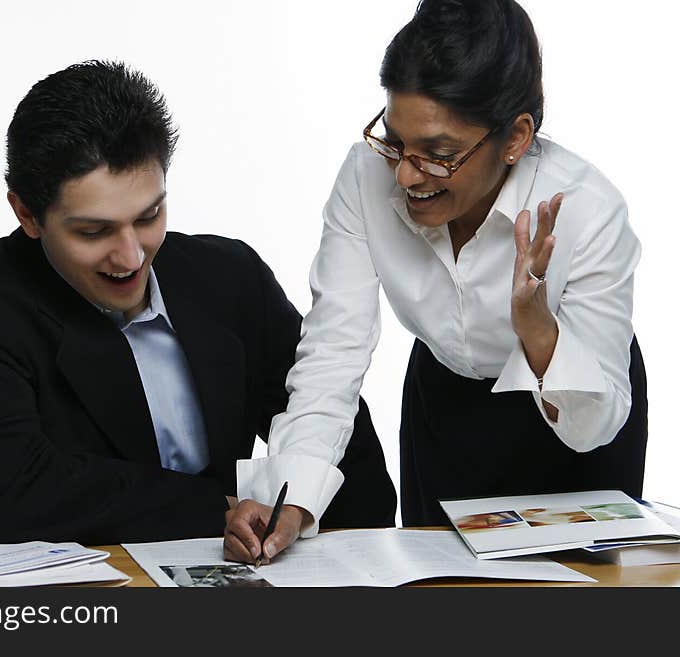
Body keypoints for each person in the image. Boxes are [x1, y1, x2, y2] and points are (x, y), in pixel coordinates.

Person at [224, 0, 647, 564]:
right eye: (396, 142)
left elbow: (597, 426)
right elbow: (333, 349)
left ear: (516, 136)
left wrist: (539, 330)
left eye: (439, 154)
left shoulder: (588, 210)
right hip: (443, 403)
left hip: (572, 401)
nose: (403, 173)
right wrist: (293, 496)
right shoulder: (364, 175)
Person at [0, 60, 396, 545]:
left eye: (149, 216)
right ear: (27, 214)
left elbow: (346, 455)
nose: (131, 256)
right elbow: (12, 494)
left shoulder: (230, 276)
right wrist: (217, 509)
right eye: (93, 231)